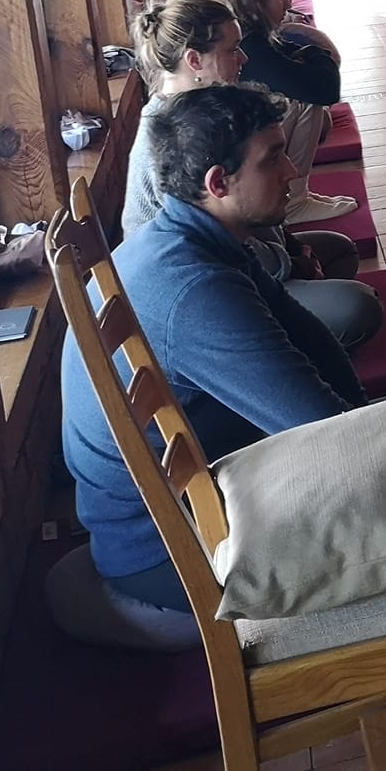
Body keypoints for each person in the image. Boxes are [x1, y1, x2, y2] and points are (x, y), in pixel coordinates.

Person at [61, 83, 366, 613]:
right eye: (273, 160)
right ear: (218, 182)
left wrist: (364, 417)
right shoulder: (195, 289)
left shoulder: (190, 234)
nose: (292, 173)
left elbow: (306, 332)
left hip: (180, 507)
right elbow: (324, 432)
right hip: (172, 551)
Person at [121, 0, 381, 349]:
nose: (243, 59)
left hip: (243, 256)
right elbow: (215, 241)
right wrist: (287, 264)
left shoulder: (203, 108)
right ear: (194, 60)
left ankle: (307, 342)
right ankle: (295, 361)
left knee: (340, 251)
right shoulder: (175, 136)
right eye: (233, 49)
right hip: (206, 286)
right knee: (358, 307)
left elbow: (248, 210)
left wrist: (292, 248)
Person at [213, 0, 353, 224]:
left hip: (235, 138)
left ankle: (298, 194)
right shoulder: (250, 42)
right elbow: (324, 89)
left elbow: (315, 73)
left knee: (302, 96)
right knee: (303, 101)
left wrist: (310, 54)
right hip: (231, 155)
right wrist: (315, 50)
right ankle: (295, 201)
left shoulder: (251, 31)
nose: (288, 4)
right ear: (256, 1)